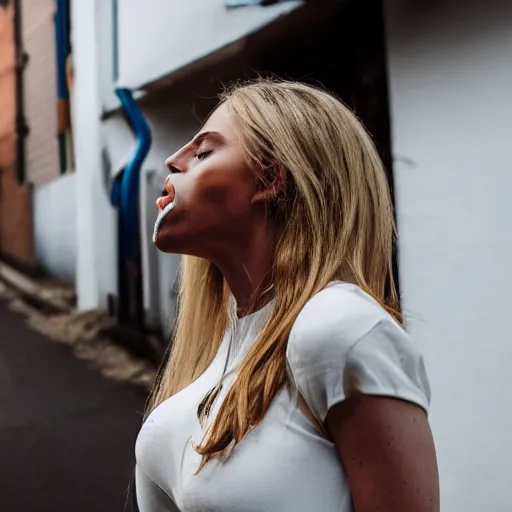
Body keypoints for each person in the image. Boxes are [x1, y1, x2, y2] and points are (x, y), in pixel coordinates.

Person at [135, 79, 439, 511]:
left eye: (203, 153)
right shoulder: (220, 356)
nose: (172, 160)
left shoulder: (339, 327)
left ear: (269, 179)